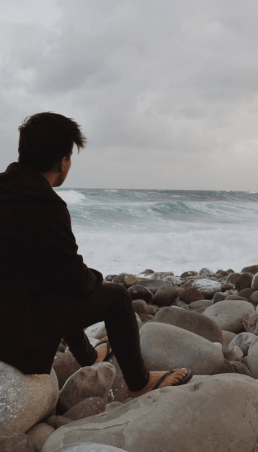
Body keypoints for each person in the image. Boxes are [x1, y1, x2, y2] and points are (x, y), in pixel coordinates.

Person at [0, 112, 192, 398]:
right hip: (17, 335)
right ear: (63, 161)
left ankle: (89, 357)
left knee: (49, 285)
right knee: (116, 298)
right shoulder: (46, 205)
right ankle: (140, 383)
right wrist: (96, 279)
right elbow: (73, 280)